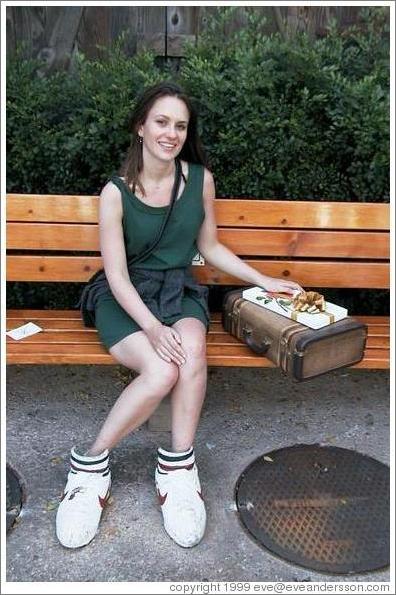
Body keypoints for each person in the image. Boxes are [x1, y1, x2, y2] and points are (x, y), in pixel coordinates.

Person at [55, 81, 303, 549]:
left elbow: (208, 247)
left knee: (191, 355)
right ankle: (88, 466)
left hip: (178, 290)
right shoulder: (115, 193)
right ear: (141, 128)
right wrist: (151, 327)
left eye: (180, 125)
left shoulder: (199, 180)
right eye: (162, 122)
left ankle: (177, 467)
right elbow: (117, 275)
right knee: (160, 367)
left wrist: (262, 280)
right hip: (125, 297)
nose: (171, 133)